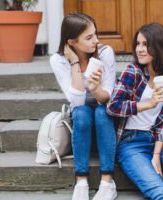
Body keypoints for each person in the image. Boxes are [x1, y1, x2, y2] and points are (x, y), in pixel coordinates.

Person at [107, 22, 163, 200]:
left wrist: (157, 154)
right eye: (138, 44)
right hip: (131, 143)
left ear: (159, 47)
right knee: (161, 193)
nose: (140, 49)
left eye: (146, 44)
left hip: (158, 140)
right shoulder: (133, 72)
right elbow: (113, 106)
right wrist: (148, 103)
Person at [50, 13, 117, 200]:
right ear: (71, 41)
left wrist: (95, 88)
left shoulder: (105, 53)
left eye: (95, 34)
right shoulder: (58, 60)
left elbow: (107, 98)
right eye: (89, 37)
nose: (96, 40)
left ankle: (107, 181)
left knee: (102, 114)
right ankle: (81, 181)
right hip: (82, 114)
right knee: (81, 114)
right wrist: (74, 62)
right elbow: (77, 101)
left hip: (104, 108)